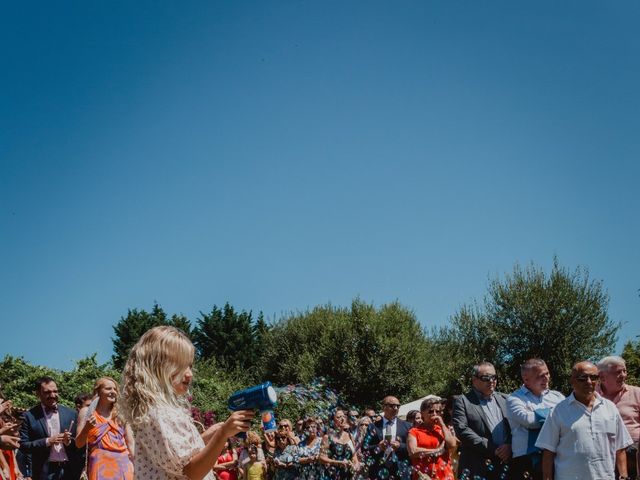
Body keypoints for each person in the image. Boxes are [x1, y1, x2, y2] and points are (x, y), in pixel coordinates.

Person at [119, 326, 253, 480]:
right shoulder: (162, 414)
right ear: (158, 367)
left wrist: (205, 438)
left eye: (190, 365)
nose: (189, 373)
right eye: (181, 366)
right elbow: (192, 471)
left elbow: (177, 460)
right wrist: (222, 434)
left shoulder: (159, 411)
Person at [535, 361, 633, 480]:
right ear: (572, 380)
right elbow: (548, 452)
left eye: (593, 377)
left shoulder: (610, 408)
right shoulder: (558, 411)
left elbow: (620, 447)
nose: (589, 381)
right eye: (582, 377)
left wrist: (623, 476)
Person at [505, 359, 564, 480]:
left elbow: (568, 418)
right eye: (540, 376)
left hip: (556, 457)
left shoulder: (557, 396)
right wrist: (557, 415)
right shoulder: (514, 399)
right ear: (526, 379)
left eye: (547, 373)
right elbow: (529, 421)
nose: (546, 378)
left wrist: (539, 414)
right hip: (526, 460)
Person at [452, 362, 512, 480]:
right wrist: (492, 448)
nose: (491, 381)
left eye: (494, 377)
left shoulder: (506, 399)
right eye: (486, 378)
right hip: (476, 466)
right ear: (474, 380)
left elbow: (516, 427)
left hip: (506, 465)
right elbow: (462, 430)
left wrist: (509, 445)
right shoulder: (463, 401)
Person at [19, 377, 82, 480]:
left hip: (70, 471)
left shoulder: (71, 414)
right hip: (44, 472)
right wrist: (48, 441)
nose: (52, 395)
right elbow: (23, 446)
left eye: (55, 391)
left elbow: (79, 444)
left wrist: (69, 442)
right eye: (47, 392)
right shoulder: (29, 416)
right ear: (38, 394)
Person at [75, 377, 134, 480]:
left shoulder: (121, 414)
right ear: (98, 391)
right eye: (108, 389)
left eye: (115, 389)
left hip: (124, 465)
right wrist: (87, 428)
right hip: (100, 465)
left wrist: (136, 464)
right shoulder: (87, 412)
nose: (113, 392)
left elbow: (130, 443)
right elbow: (79, 443)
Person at [597, 355, 640, 479]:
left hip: (633, 453)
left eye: (624, 371)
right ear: (602, 377)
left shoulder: (637, 393)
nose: (624, 375)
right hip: (602, 453)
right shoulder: (591, 396)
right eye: (617, 372)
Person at [362, 396, 412, 480]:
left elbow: (412, 448)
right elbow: (365, 448)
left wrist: (400, 446)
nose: (395, 408)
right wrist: (378, 447)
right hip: (379, 470)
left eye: (398, 406)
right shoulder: (373, 426)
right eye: (392, 406)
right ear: (384, 407)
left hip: (401, 469)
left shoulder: (407, 426)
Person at [407, 397, 456, 480]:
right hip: (424, 476)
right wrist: (437, 451)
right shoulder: (414, 431)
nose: (434, 414)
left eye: (438, 411)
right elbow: (413, 451)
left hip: (444, 475)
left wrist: (442, 425)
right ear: (422, 413)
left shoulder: (443, 429)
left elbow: (452, 445)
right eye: (430, 411)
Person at [319, 409, 358, 480]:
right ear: (333, 421)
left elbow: (354, 455)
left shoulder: (350, 436)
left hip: (348, 475)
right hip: (332, 475)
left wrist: (355, 465)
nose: (342, 419)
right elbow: (321, 458)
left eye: (344, 416)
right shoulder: (327, 437)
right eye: (339, 417)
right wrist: (338, 462)